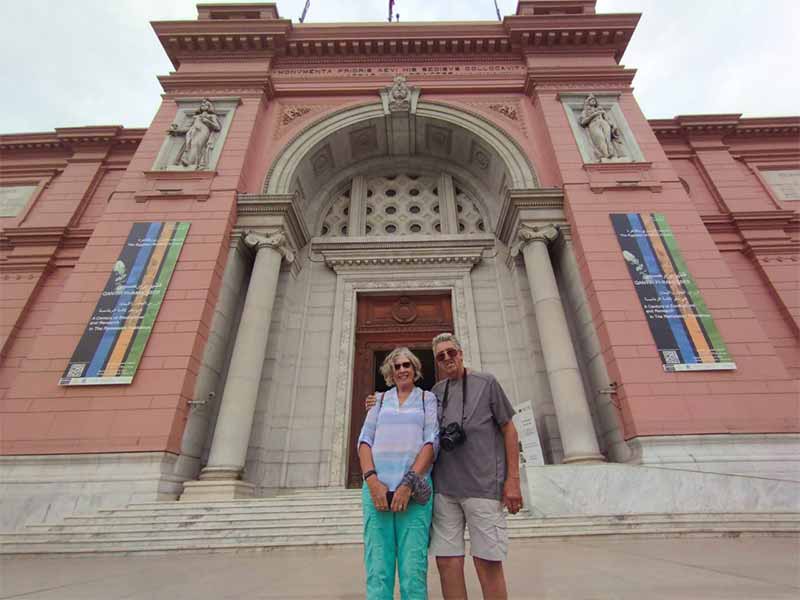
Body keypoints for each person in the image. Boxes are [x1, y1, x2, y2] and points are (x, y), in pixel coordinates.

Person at [366, 333, 523, 600]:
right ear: (436, 362)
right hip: (444, 492)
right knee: (448, 563)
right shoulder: (435, 394)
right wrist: (375, 401)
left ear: (461, 353)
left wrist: (513, 480)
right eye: (441, 355)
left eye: (452, 352)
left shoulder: (487, 383)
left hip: (483, 488)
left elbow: (509, 430)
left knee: (487, 561)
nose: (448, 358)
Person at [358, 347, 439, 600]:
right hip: (376, 491)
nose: (402, 369)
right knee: (377, 569)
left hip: (414, 493)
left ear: (415, 370)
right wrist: (372, 481)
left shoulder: (427, 399)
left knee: (413, 570)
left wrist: (407, 485)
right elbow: (364, 441)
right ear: (390, 373)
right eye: (397, 366)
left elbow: (431, 442)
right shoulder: (380, 400)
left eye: (407, 365)